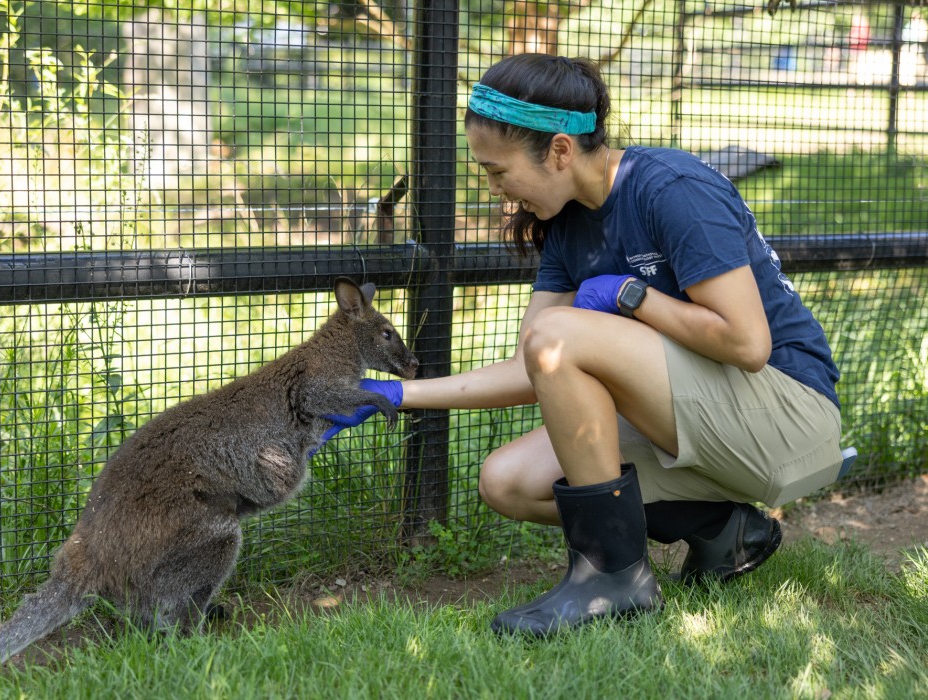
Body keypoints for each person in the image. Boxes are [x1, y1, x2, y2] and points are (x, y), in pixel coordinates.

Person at [322, 54, 843, 637]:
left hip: (790, 421)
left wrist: (634, 298)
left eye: (499, 172)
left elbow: (748, 344)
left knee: (557, 333)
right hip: (712, 420)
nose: (498, 192)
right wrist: (395, 392)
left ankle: (613, 581)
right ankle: (724, 530)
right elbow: (536, 364)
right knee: (508, 480)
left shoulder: (672, 189)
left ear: (561, 151)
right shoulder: (569, 223)